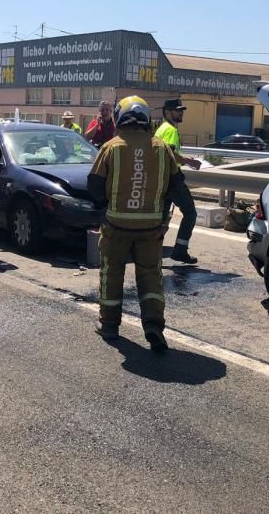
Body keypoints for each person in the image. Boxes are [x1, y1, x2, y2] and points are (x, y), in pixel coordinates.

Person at [88, 96, 181, 351]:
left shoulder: (111, 147)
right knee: (151, 276)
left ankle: (109, 326)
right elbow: (177, 186)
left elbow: (94, 187)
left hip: (116, 226)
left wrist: (106, 208)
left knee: (112, 274)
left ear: (120, 116)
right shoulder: (161, 148)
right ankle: (153, 325)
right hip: (151, 228)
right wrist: (161, 214)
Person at [155, 98, 201, 264]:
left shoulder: (161, 129)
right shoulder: (170, 130)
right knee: (190, 213)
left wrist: (184, 160)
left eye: (182, 110)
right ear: (168, 112)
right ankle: (180, 251)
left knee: (161, 219)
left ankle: (149, 253)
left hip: (161, 179)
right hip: (172, 180)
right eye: (177, 110)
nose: (181, 113)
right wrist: (189, 161)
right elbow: (170, 154)